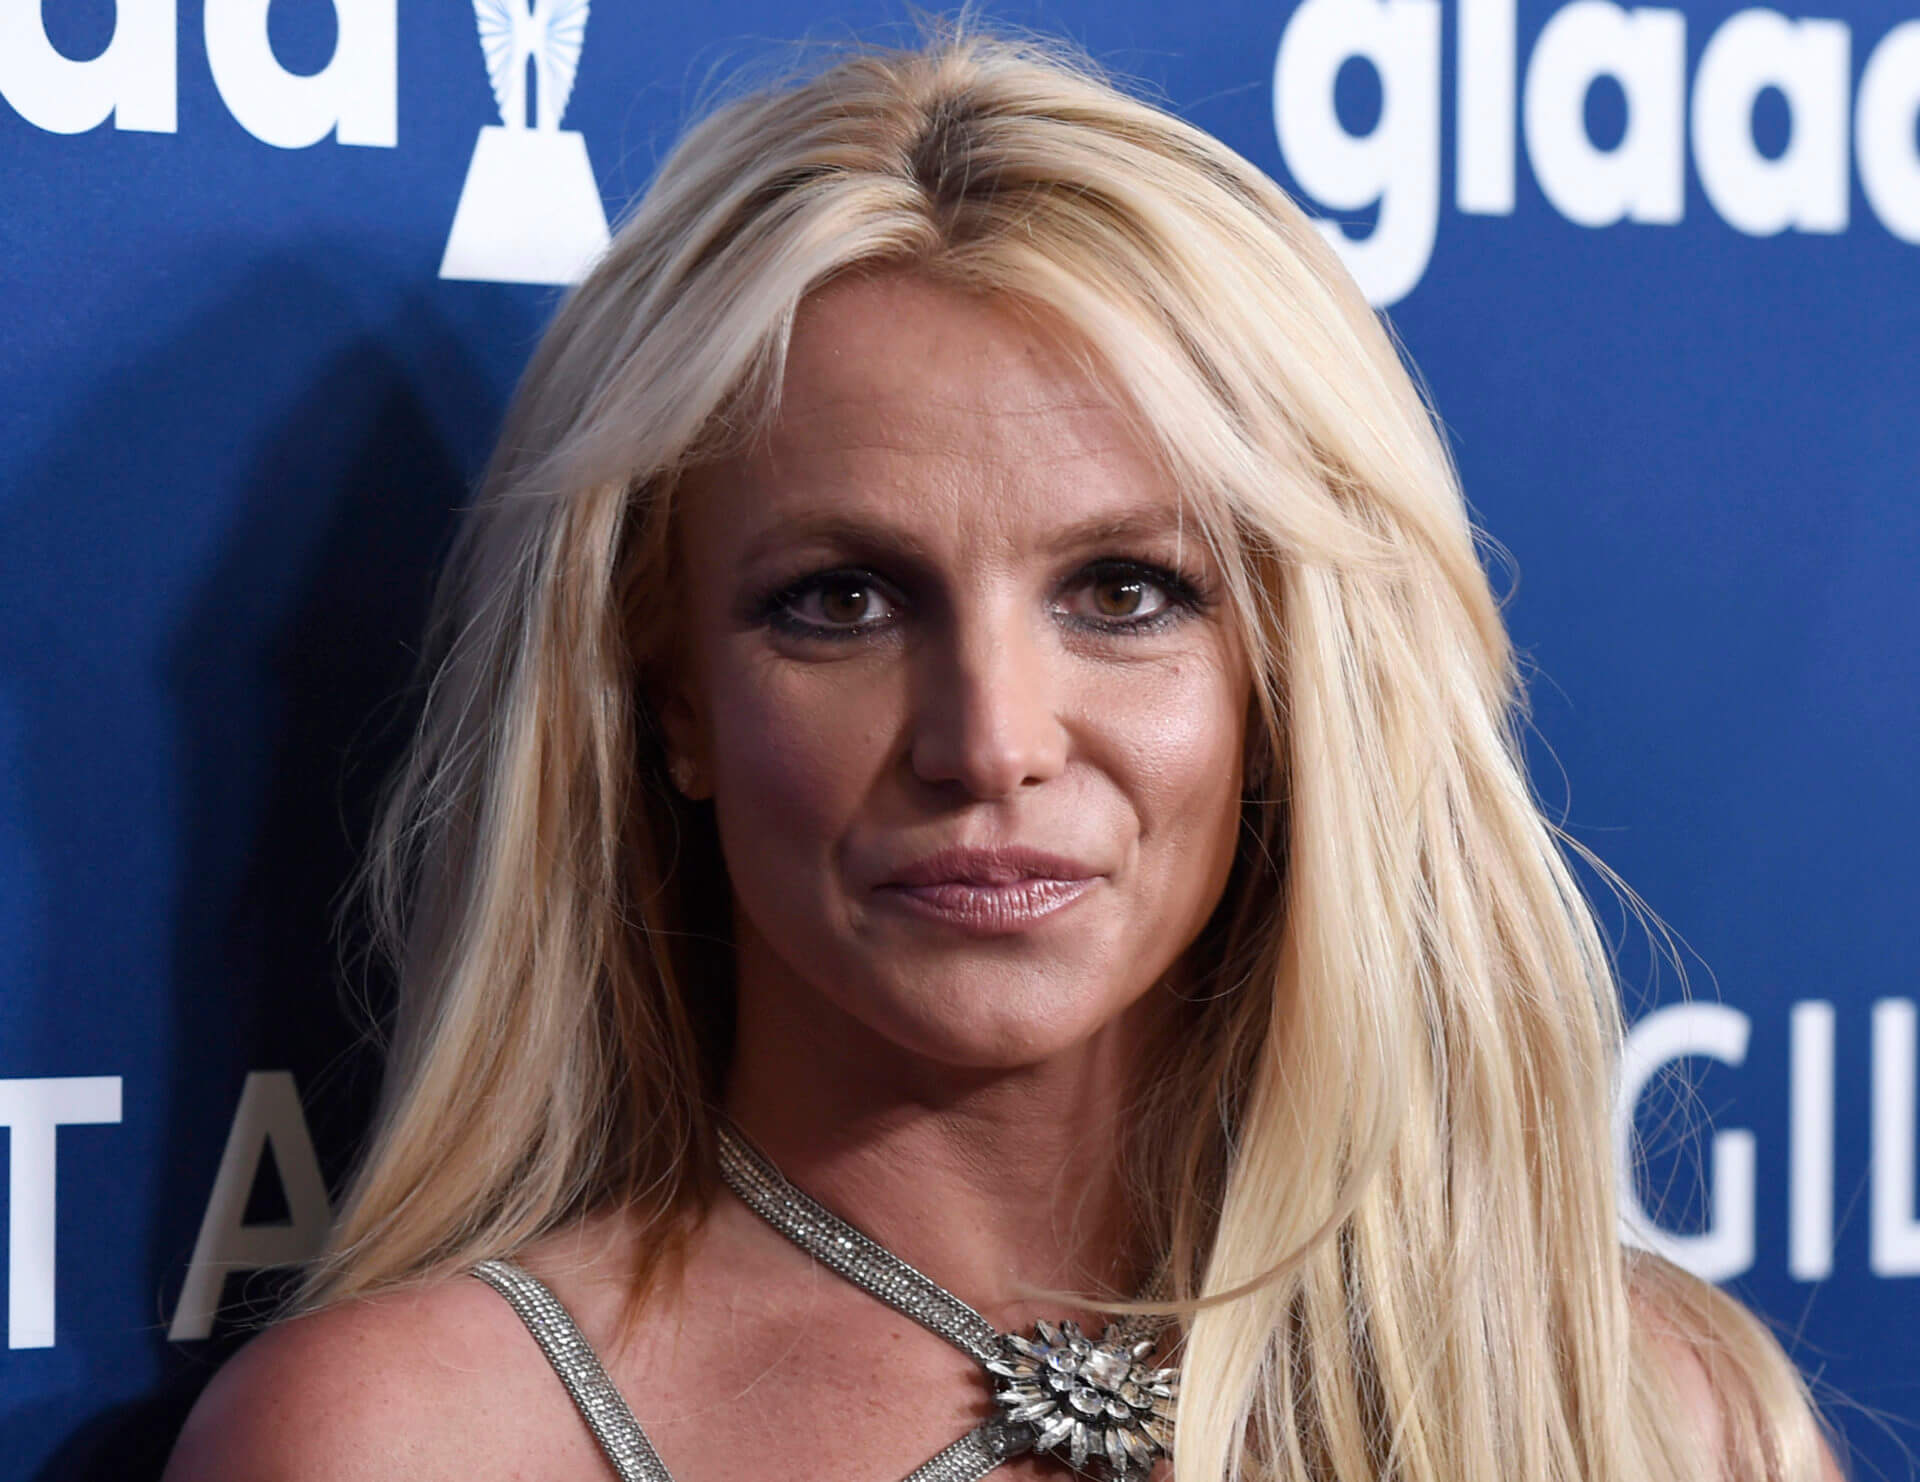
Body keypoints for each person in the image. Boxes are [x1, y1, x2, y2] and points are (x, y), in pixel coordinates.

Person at [163, 27, 1842, 1482]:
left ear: (1289, 677)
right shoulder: (406, 1439)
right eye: (842, 600)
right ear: (666, 694)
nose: (990, 742)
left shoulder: (1643, 1407)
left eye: (1124, 591)